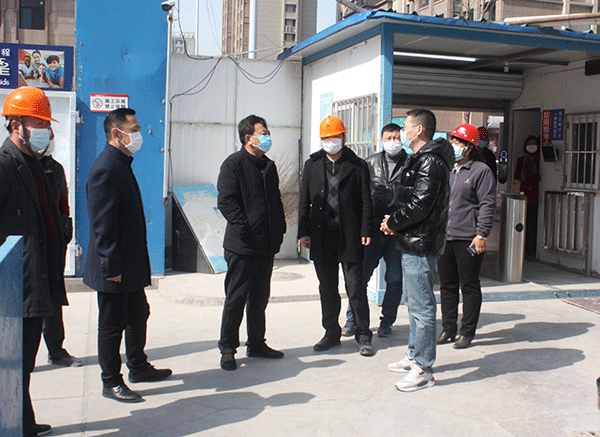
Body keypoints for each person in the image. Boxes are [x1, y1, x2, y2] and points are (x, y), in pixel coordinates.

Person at [84, 108, 172, 403]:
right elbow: (102, 224)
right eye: (133, 129)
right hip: (115, 264)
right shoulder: (106, 168)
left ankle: (138, 366)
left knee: (138, 313)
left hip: (130, 263)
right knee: (112, 325)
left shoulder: (122, 163)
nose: (138, 134)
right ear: (116, 133)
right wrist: (111, 265)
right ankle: (110, 381)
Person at [0, 86, 65, 437]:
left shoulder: (37, 165)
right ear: (16, 125)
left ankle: (23, 422)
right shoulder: (5, 165)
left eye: (46, 123)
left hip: (38, 277)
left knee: (25, 363)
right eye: (38, 123)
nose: (46, 130)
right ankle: (16, 425)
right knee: (14, 364)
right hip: (17, 282)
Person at [382, 109, 453, 392]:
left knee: (422, 307)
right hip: (412, 240)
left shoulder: (430, 161)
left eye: (406, 126)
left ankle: (423, 368)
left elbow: (421, 204)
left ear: (419, 129)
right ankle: (414, 354)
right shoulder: (422, 158)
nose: (402, 132)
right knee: (414, 304)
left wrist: (392, 223)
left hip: (420, 243)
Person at [298, 115, 375, 357]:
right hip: (321, 236)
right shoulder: (312, 164)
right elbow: (304, 201)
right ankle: (331, 332)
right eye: (326, 137)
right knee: (327, 288)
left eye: (335, 137)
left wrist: (366, 230)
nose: (330, 141)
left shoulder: (358, 165)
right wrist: (303, 232)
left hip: (350, 235)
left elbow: (366, 201)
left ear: (343, 137)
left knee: (355, 287)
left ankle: (363, 334)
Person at [217, 115, 287, 371]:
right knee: (236, 298)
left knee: (259, 297)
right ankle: (227, 348)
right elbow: (226, 201)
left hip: (266, 244)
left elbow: (275, 200)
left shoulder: (268, 166)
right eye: (263, 133)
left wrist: (280, 229)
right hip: (242, 245)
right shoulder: (233, 164)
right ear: (248, 138)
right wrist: (245, 230)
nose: (268, 138)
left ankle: (257, 343)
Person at [342, 123, 407, 338]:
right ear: (381, 140)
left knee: (394, 278)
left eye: (397, 137)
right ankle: (352, 319)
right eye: (389, 138)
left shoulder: (411, 164)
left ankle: (387, 321)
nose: (393, 142)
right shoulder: (369, 163)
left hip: (398, 231)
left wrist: (398, 222)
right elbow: (361, 196)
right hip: (373, 230)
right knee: (360, 277)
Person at [437, 124, 496, 350]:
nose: (454, 145)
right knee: (447, 285)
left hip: (469, 239)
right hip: (445, 237)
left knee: (469, 285)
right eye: (453, 140)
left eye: (459, 142)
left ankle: (467, 332)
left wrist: (481, 234)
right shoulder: (447, 169)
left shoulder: (481, 171)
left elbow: (487, 204)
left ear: (470, 147)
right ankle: (448, 328)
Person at [38, 138, 82, 367]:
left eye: (49, 136)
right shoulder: (17, 166)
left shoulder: (55, 169)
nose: (48, 141)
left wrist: (65, 227)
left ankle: (56, 350)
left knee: (54, 298)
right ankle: (17, 356)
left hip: (54, 244)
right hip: (29, 246)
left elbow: (63, 202)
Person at [513, 135, 540, 258]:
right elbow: (516, 178)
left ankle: (531, 249)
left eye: (534, 143)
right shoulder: (521, 161)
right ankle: (522, 248)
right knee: (523, 223)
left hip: (536, 197)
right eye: (529, 143)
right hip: (523, 196)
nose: (531, 146)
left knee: (534, 224)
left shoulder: (540, 161)